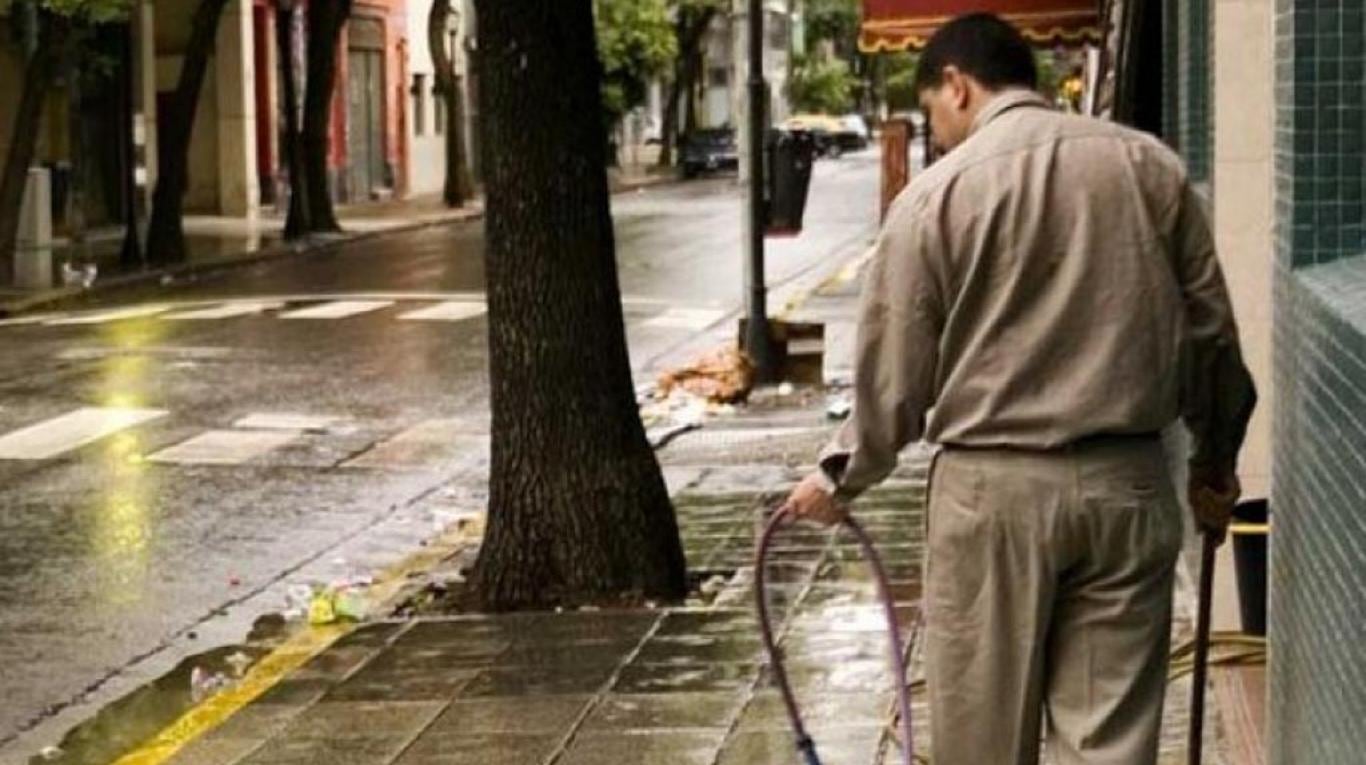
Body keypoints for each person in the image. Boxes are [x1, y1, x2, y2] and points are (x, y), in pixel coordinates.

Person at [780, 13, 1255, 765]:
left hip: (990, 496)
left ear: (958, 87)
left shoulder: (935, 198)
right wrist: (1213, 463)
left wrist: (843, 472)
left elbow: (895, 377)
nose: (937, 135)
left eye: (934, 116)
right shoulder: (1148, 167)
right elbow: (1213, 338)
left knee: (983, 741)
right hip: (1126, 483)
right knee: (1109, 742)